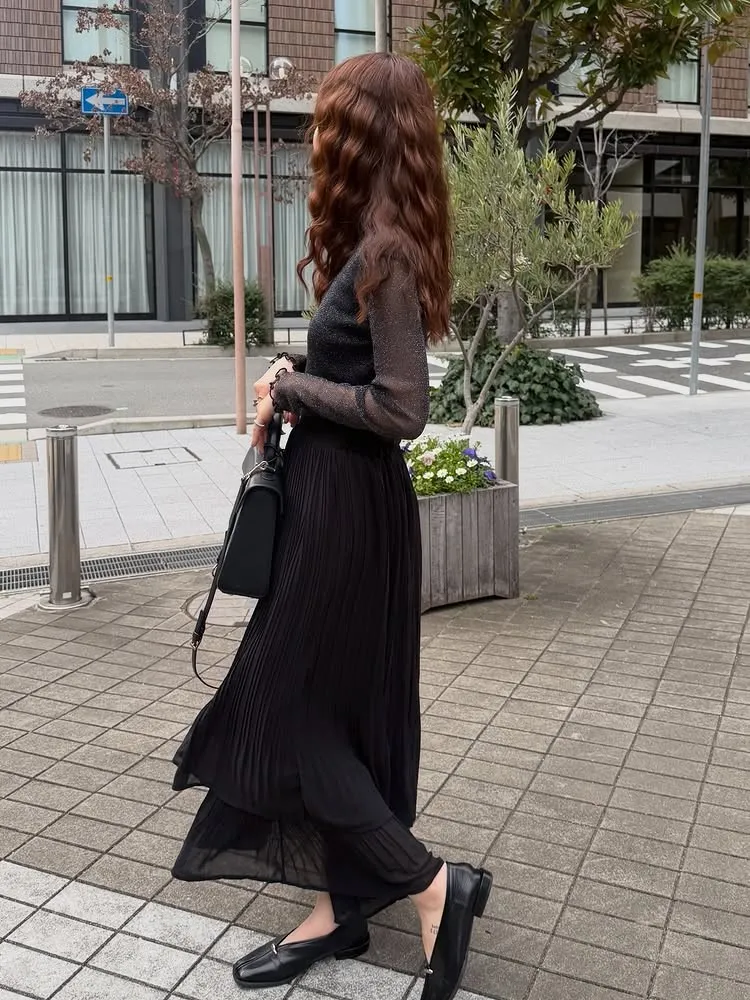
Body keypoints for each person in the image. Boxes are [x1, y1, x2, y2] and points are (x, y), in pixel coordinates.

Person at [171, 52, 492, 1000]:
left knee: (290, 710)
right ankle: (339, 911)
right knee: (334, 710)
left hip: (346, 514)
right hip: (340, 501)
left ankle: (432, 886)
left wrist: (293, 389)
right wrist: (301, 378)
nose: (316, 136)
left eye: (328, 120)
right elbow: (361, 379)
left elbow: (402, 408)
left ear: (361, 135)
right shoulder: (377, 244)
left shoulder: (387, 254)